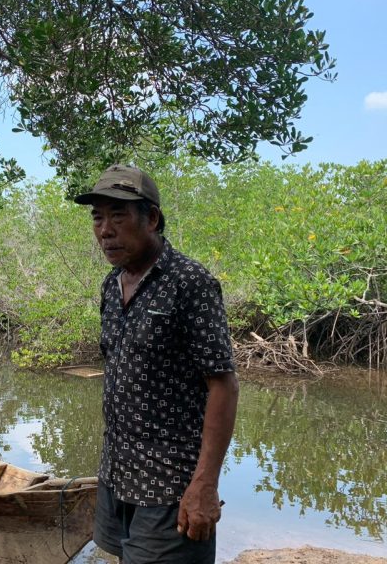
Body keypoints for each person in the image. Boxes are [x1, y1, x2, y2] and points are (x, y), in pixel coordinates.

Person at [74, 164, 239, 564]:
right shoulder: (111, 285)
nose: (105, 230)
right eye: (98, 217)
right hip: (117, 475)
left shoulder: (190, 282)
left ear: (151, 218)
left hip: (171, 488)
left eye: (118, 215)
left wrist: (204, 484)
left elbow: (223, 385)